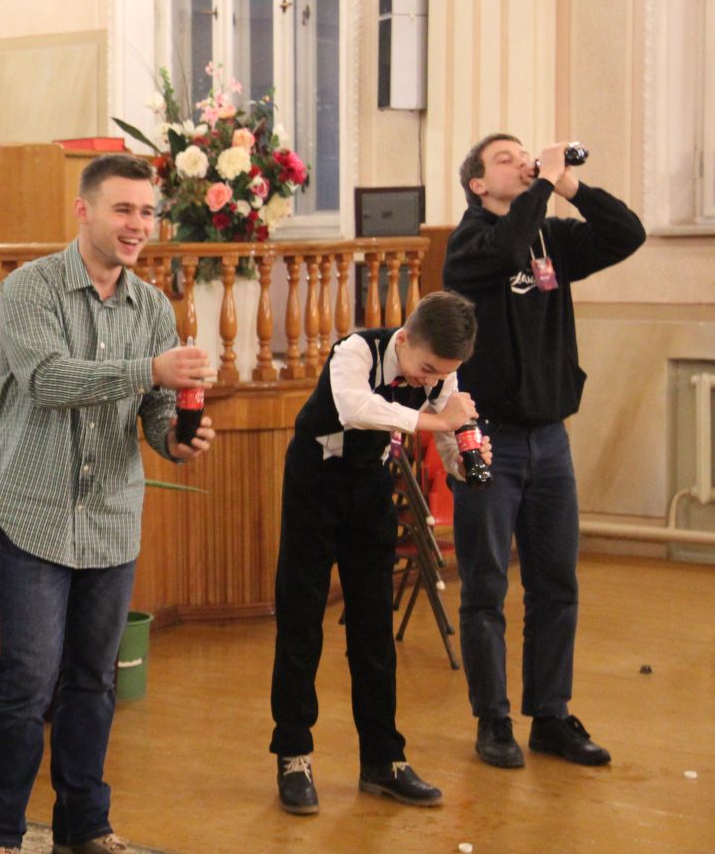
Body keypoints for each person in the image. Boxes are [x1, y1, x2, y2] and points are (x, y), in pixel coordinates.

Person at [0, 154, 215, 854]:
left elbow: (157, 412)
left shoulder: (153, 309)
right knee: (26, 684)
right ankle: (1, 836)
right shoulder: (30, 288)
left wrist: (178, 439)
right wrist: (149, 370)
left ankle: (83, 826)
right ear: (83, 211)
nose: (138, 224)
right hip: (37, 516)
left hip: (112, 519)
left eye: (147, 212)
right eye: (123, 209)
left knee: (92, 683)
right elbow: (49, 381)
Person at [444, 134, 644, 768]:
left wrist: (571, 186)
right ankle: (493, 720)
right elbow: (507, 250)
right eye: (504, 158)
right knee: (485, 585)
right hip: (487, 439)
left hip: (550, 439)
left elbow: (627, 233)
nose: (522, 162)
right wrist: (544, 186)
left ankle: (551, 716)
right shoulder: (468, 245)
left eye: (524, 154)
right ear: (477, 184)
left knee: (556, 583)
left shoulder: (549, 237)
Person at [269, 290, 484, 815]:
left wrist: (465, 461)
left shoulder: (438, 375)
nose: (432, 382)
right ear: (404, 339)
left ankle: (383, 761)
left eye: (443, 375)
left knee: (373, 629)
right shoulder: (356, 351)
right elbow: (356, 408)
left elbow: (449, 439)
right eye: (427, 369)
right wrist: (440, 421)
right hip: (315, 482)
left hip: (370, 486)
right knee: (301, 622)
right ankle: (294, 756)